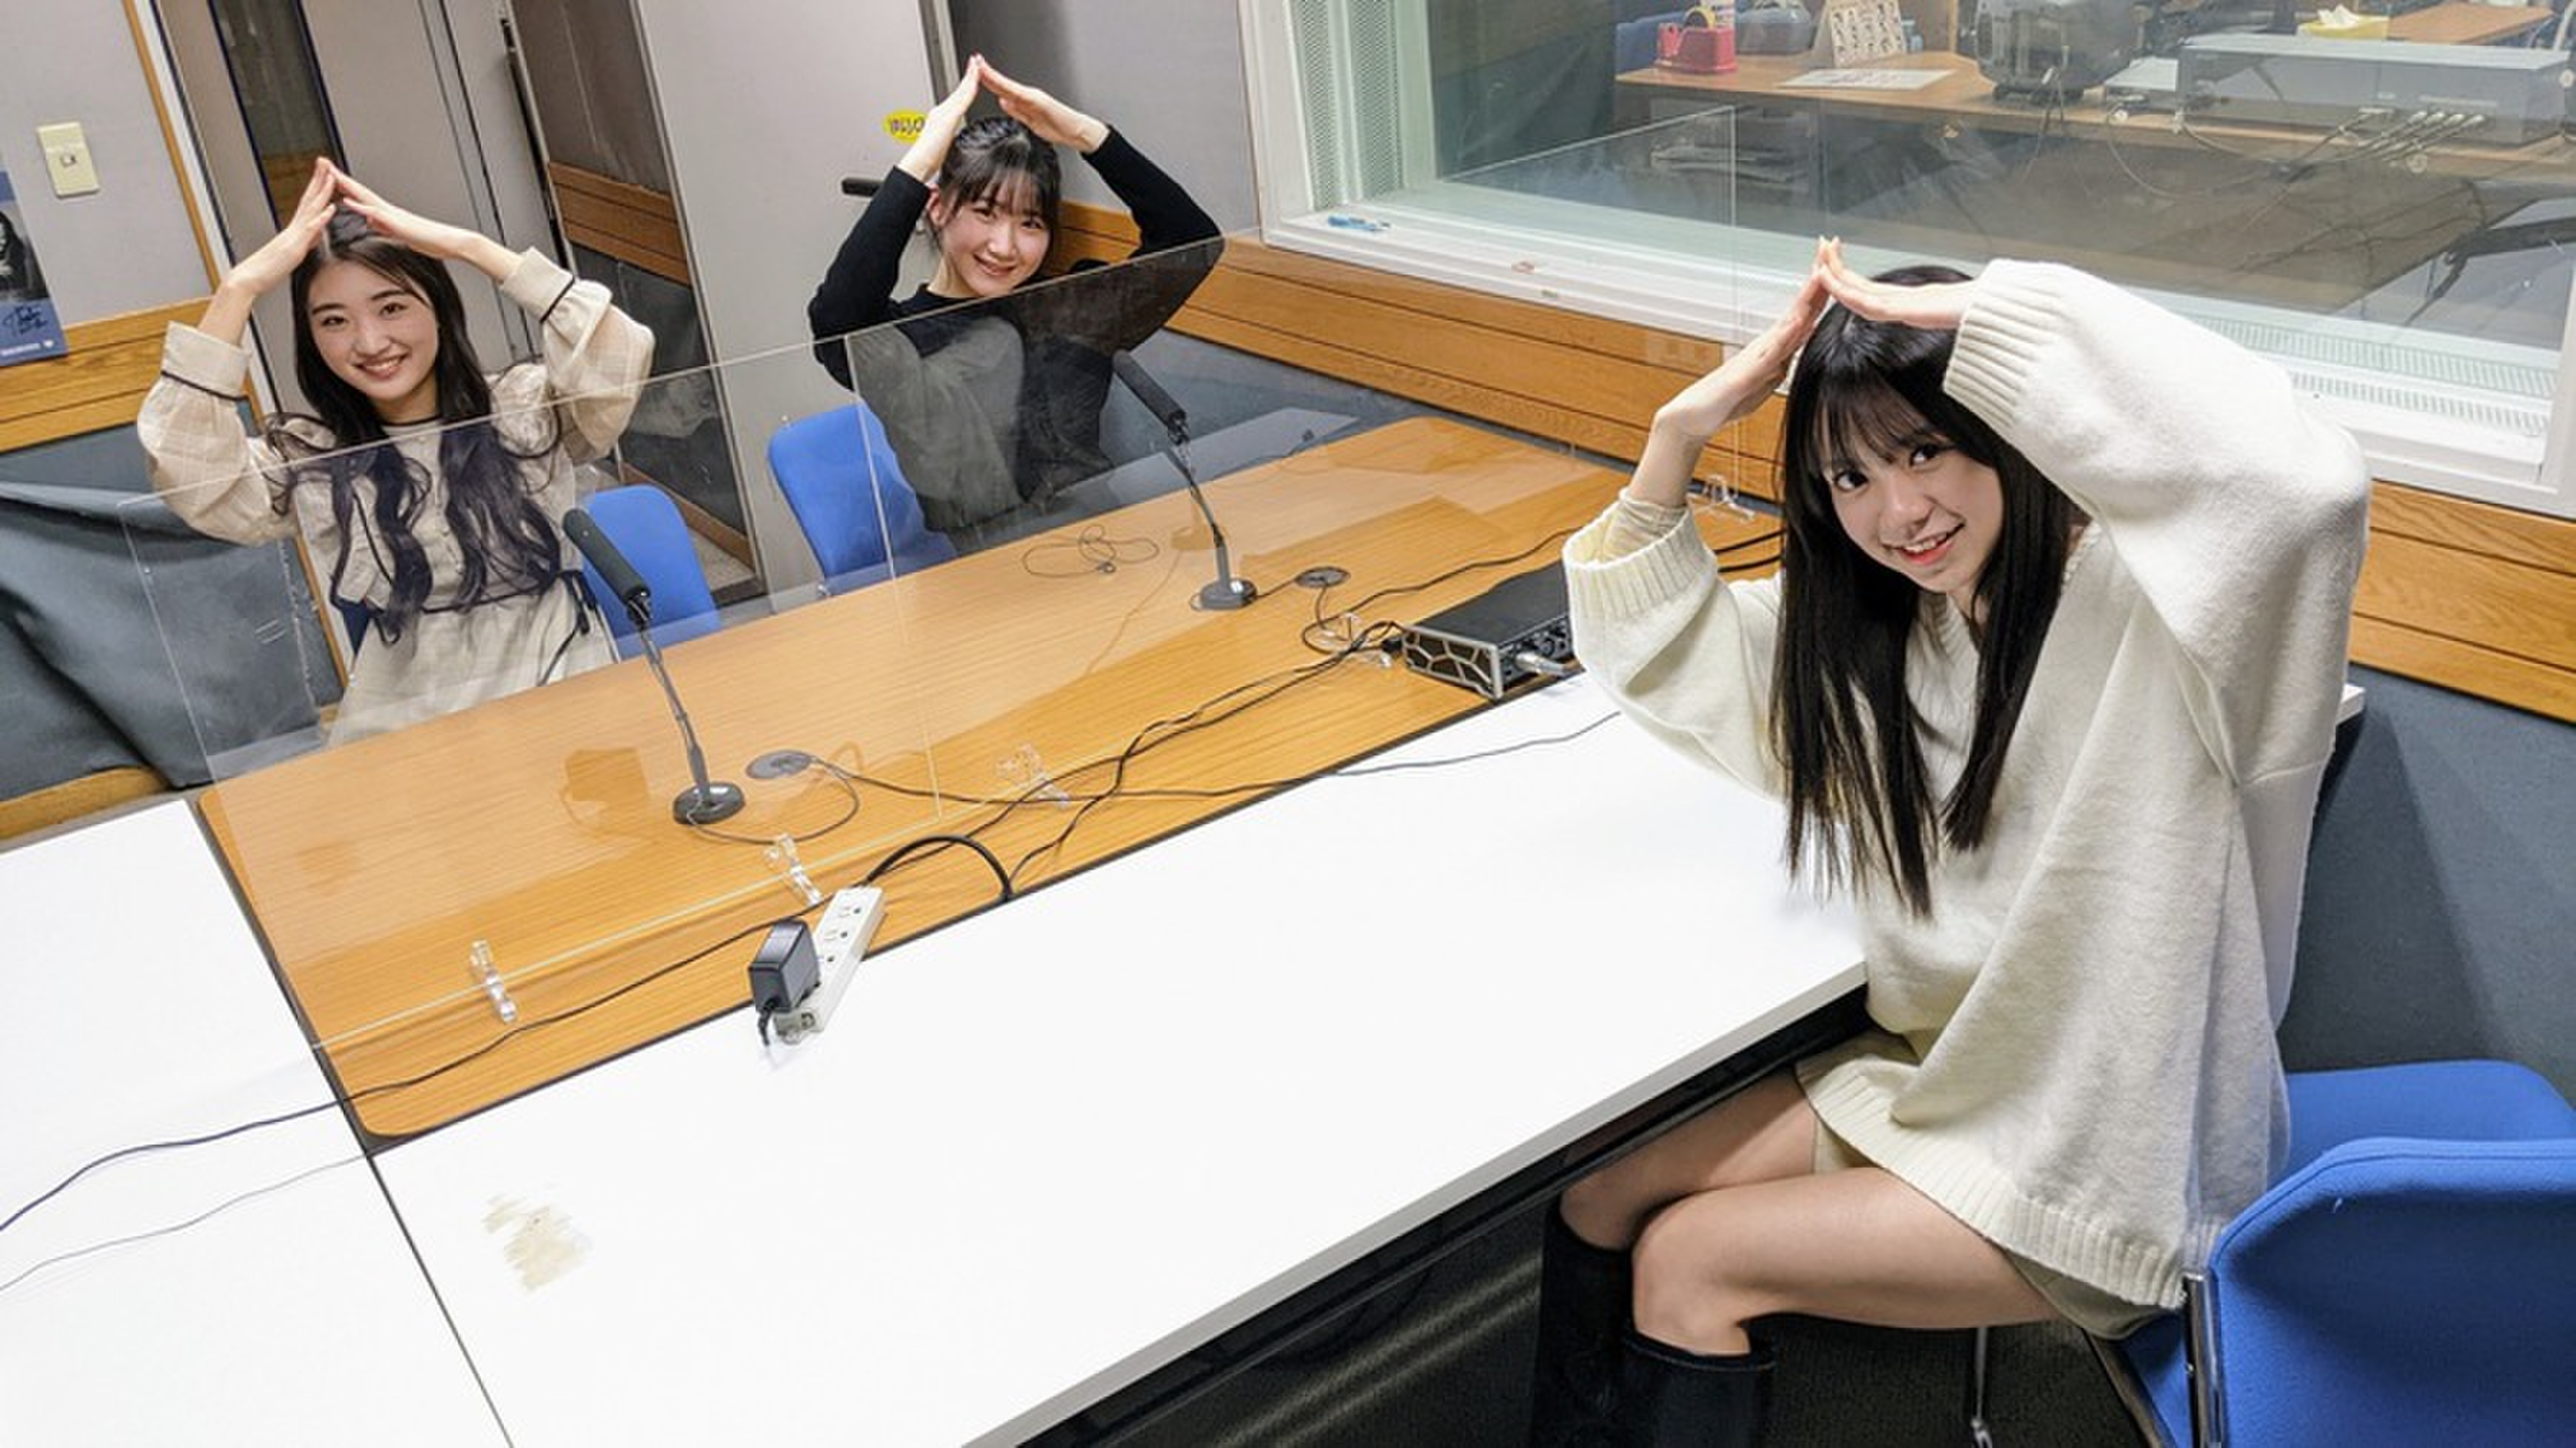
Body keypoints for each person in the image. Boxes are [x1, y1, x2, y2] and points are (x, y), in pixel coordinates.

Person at [1534, 240, 2371, 1445]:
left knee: (1691, 1259)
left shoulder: (2164, 619)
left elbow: (2301, 490)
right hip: (1952, 1090)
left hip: (2112, 1167)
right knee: (1602, 1195)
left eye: (1925, 449)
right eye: (1851, 476)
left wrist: (2012, 313)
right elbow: (1660, 646)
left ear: (2008, 431)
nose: (1900, 512)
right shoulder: (1887, 638)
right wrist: (1679, 433)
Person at [139, 159, 654, 742]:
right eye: (334, 321)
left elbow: (618, 354)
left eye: (392, 307)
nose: (370, 342)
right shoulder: (315, 461)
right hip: (411, 710)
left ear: (438, 307)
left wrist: (471, 247)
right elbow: (188, 473)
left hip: (559, 677)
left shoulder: (525, 410)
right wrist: (241, 287)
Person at [807, 55, 1220, 547]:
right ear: (937, 209)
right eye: (985, 213)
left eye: (1030, 223)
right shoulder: (899, 341)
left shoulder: (1069, 308)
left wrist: (1086, 135)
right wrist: (918, 164)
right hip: (991, 570)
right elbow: (836, 320)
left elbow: (1191, 240)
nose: (1005, 246)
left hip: (1106, 548)